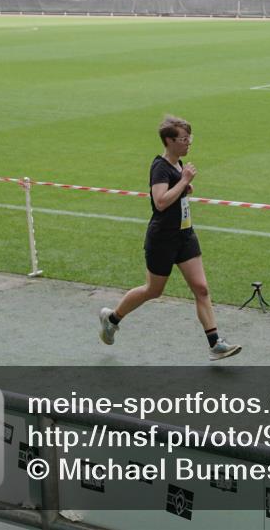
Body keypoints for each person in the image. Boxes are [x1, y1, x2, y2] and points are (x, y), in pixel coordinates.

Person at [99, 115, 241, 361]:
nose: (188, 143)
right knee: (153, 290)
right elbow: (160, 202)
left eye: (189, 138)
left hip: (185, 235)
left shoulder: (178, 163)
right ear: (169, 141)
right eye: (183, 139)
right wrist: (184, 181)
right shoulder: (160, 167)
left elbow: (174, 195)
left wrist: (184, 187)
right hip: (162, 239)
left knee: (202, 288)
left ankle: (215, 343)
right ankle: (112, 318)